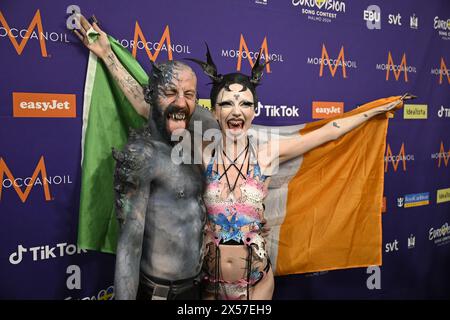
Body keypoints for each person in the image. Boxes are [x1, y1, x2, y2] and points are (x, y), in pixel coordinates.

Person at [187, 47, 409, 300]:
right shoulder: (203, 156)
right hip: (210, 287)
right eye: (227, 103)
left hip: (256, 286)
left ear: (254, 111)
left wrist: (375, 110)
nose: (237, 111)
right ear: (214, 111)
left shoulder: (267, 154)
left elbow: (330, 132)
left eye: (245, 103)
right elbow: (156, 114)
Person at [74, 14, 211, 300]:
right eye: (171, 92)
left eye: (189, 94)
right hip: (159, 294)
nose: (181, 101)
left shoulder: (199, 141)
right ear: (153, 96)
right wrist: (108, 54)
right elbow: (129, 247)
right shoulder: (143, 155)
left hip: (198, 289)